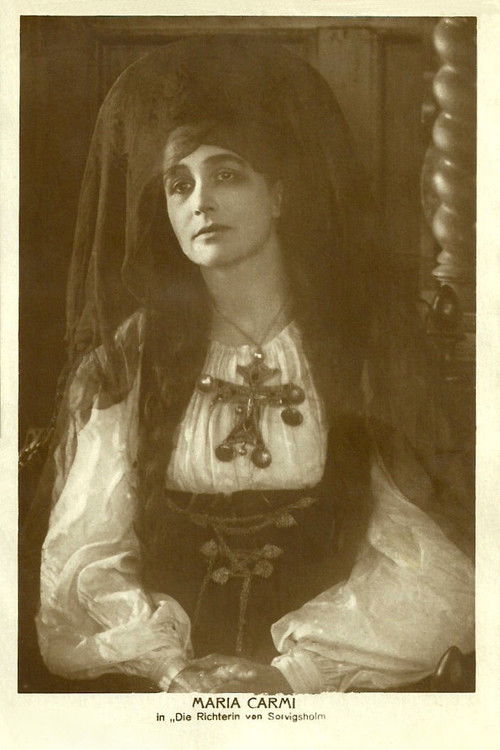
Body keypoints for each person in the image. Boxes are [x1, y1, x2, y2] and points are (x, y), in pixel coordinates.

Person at [23, 35, 474, 694]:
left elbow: (433, 565)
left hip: (321, 691)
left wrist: (293, 674)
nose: (200, 201)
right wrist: (170, 667)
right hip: (169, 689)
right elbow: (87, 552)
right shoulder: (133, 357)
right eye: (179, 185)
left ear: (280, 195)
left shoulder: (356, 350)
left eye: (227, 174)